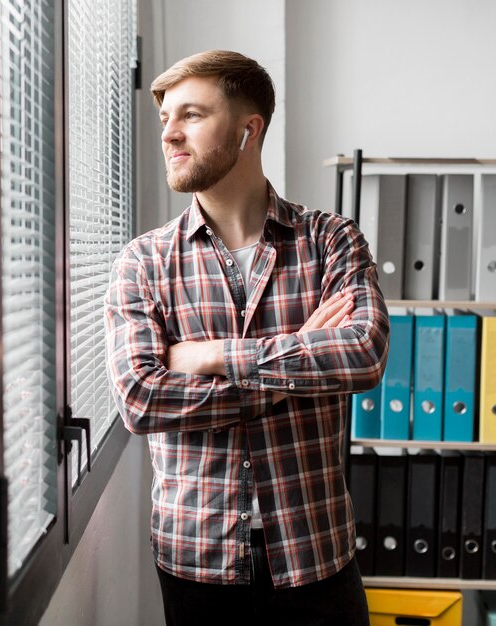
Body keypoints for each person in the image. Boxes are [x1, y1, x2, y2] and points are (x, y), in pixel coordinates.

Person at [104, 50, 389, 626]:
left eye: (192, 115)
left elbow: (364, 354)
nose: (170, 133)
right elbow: (140, 397)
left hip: (316, 552)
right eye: (166, 119)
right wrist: (293, 367)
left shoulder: (330, 240)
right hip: (197, 562)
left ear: (247, 129)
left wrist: (208, 356)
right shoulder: (144, 261)